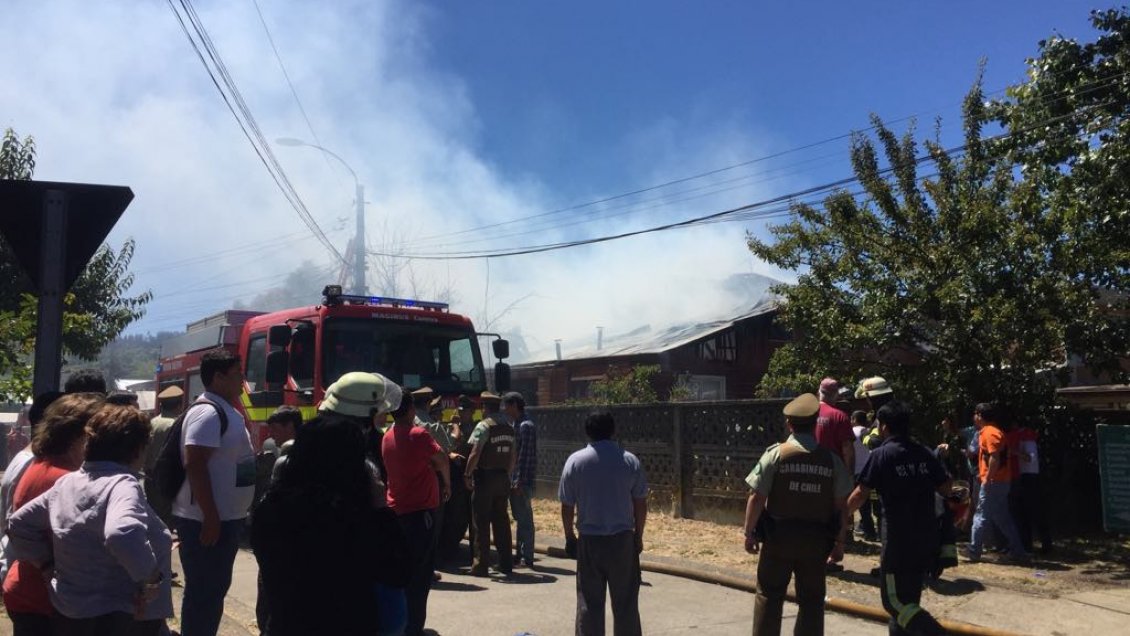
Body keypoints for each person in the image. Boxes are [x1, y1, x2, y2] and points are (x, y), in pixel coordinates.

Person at [8, 404, 173, 636]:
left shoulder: (69, 483)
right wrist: (150, 578)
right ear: (137, 449)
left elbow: (18, 524)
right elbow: (122, 533)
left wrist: (46, 565)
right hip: (120, 615)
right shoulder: (121, 484)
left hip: (69, 612)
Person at [252, 414, 411, 636]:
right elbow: (399, 572)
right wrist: (381, 507)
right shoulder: (357, 516)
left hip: (285, 626)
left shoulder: (272, 508)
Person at [743, 393, 851, 636]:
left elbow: (756, 496)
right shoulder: (831, 461)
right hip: (816, 542)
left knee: (769, 596)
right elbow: (841, 506)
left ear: (789, 424)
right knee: (812, 601)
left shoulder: (776, 455)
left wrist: (749, 533)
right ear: (815, 424)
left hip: (777, 539)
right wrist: (840, 543)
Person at [2, 393, 104, 636]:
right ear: (78, 436)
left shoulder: (41, 464)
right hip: (49, 602)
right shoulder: (65, 480)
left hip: (30, 593)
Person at [171, 349, 255, 636]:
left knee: (214, 590)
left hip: (225, 518)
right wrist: (210, 516)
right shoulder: (208, 412)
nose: (242, 381)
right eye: (237, 375)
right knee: (204, 592)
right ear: (218, 377)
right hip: (206, 522)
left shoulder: (227, 409)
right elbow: (194, 463)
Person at [847, 401, 949, 636]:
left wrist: (841, 516)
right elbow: (945, 487)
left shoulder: (882, 455)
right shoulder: (923, 452)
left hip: (897, 541)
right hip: (926, 538)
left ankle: (937, 633)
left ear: (883, 427)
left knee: (893, 602)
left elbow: (861, 493)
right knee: (909, 600)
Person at [560, 410, 648, 636]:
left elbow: (567, 506)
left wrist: (570, 537)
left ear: (587, 432)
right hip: (622, 539)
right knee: (626, 603)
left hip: (590, 541)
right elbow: (640, 503)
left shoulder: (575, 462)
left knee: (590, 603)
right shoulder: (629, 461)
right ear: (613, 431)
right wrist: (638, 536)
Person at [382, 387, 451, 636]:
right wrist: (446, 482)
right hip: (421, 514)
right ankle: (414, 628)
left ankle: (401, 624)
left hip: (397, 511)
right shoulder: (419, 434)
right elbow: (442, 458)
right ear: (411, 409)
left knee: (402, 573)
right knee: (420, 577)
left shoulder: (387, 436)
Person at [966, 402, 1029, 563]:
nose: (974, 416)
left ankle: (974, 551)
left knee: (981, 515)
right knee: (1002, 518)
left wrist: (987, 478)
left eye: (975, 413)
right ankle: (1018, 551)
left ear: (980, 416)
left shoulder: (990, 433)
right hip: (1000, 481)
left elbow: (995, 456)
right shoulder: (993, 432)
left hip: (994, 482)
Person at [464, 391, 516, 577]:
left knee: (481, 521)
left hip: (485, 478)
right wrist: (507, 476)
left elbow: (475, 452)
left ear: (485, 407)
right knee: (502, 522)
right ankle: (506, 563)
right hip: (502, 478)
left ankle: (480, 565)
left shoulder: (484, 426)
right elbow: (512, 457)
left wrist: (468, 474)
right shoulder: (509, 427)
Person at [438, 395, 476, 562]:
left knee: (473, 515)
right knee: (456, 515)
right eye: (460, 411)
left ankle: (476, 551)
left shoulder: (477, 428)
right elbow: (446, 447)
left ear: (472, 412)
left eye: (465, 411)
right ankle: (450, 548)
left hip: (472, 475)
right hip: (457, 476)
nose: (462, 414)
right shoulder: (451, 428)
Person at [143, 386, 184, 526]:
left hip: (150, 478)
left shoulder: (152, 422)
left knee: (154, 517)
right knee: (166, 522)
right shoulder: (177, 425)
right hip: (168, 480)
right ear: (179, 405)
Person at [505, 391, 537, 568]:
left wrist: (518, 481)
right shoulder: (517, 424)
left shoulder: (526, 426)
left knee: (525, 519)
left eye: (507, 405)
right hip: (516, 479)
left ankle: (527, 557)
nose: (505, 409)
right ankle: (520, 555)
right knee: (520, 518)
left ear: (514, 405)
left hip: (522, 481)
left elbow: (524, 456)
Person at [1011, 422, 1052, 554]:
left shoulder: (1027, 438)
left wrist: (1014, 452)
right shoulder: (1023, 436)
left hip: (1029, 477)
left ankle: (1043, 544)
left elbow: (1030, 458)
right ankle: (1028, 544)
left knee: (1031, 512)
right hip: (1023, 477)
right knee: (1025, 513)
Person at [850, 410, 878, 541]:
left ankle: (869, 532)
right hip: (870, 470)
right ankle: (876, 532)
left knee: (863, 505)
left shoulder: (851, 433)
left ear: (854, 419)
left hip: (856, 471)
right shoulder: (869, 432)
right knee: (875, 503)